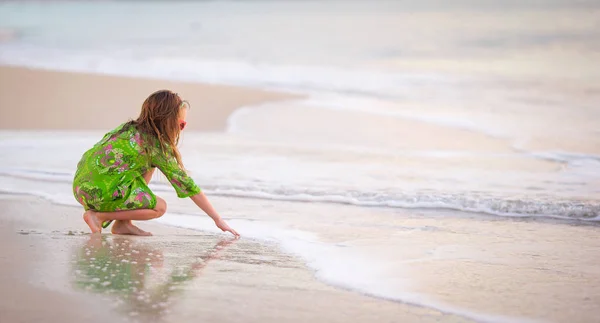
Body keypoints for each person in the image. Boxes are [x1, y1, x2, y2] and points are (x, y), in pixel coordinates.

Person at [72, 90, 239, 237]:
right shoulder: (154, 147)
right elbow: (188, 186)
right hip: (100, 193)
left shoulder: (127, 129)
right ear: (167, 121)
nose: (182, 129)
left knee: (147, 167)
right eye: (181, 124)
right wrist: (218, 220)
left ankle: (123, 224)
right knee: (160, 207)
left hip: (81, 187)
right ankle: (99, 217)